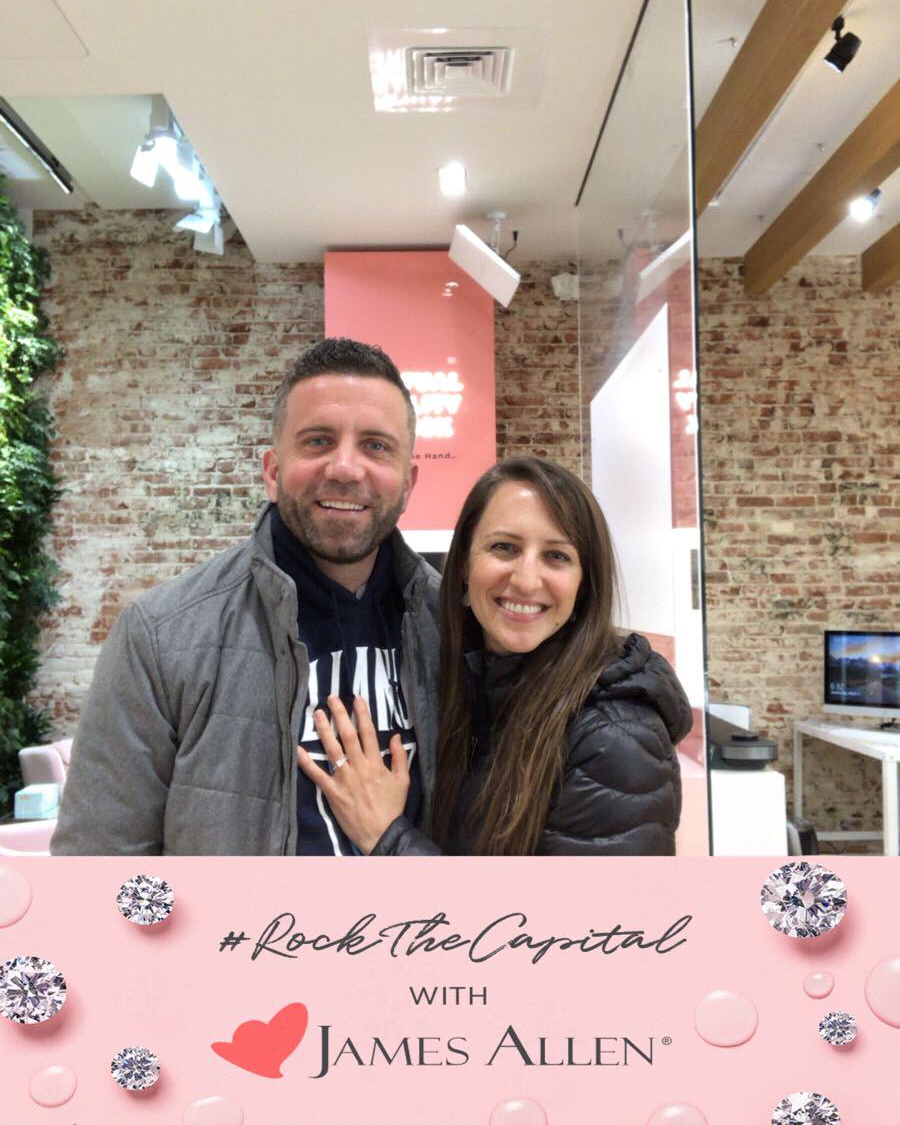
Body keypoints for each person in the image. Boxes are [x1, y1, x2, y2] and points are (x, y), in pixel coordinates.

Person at [51, 338, 440, 855]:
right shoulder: (160, 637)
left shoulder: (456, 627)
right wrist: (192, 912)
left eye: (375, 446)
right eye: (318, 441)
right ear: (273, 472)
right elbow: (100, 870)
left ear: (408, 484)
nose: (345, 468)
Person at [298, 455, 692, 856]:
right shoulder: (474, 686)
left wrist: (386, 836)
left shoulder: (615, 738)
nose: (526, 580)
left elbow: (590, 901)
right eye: (504, 547)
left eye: (556, 556)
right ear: (464, 565)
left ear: (584, 584)